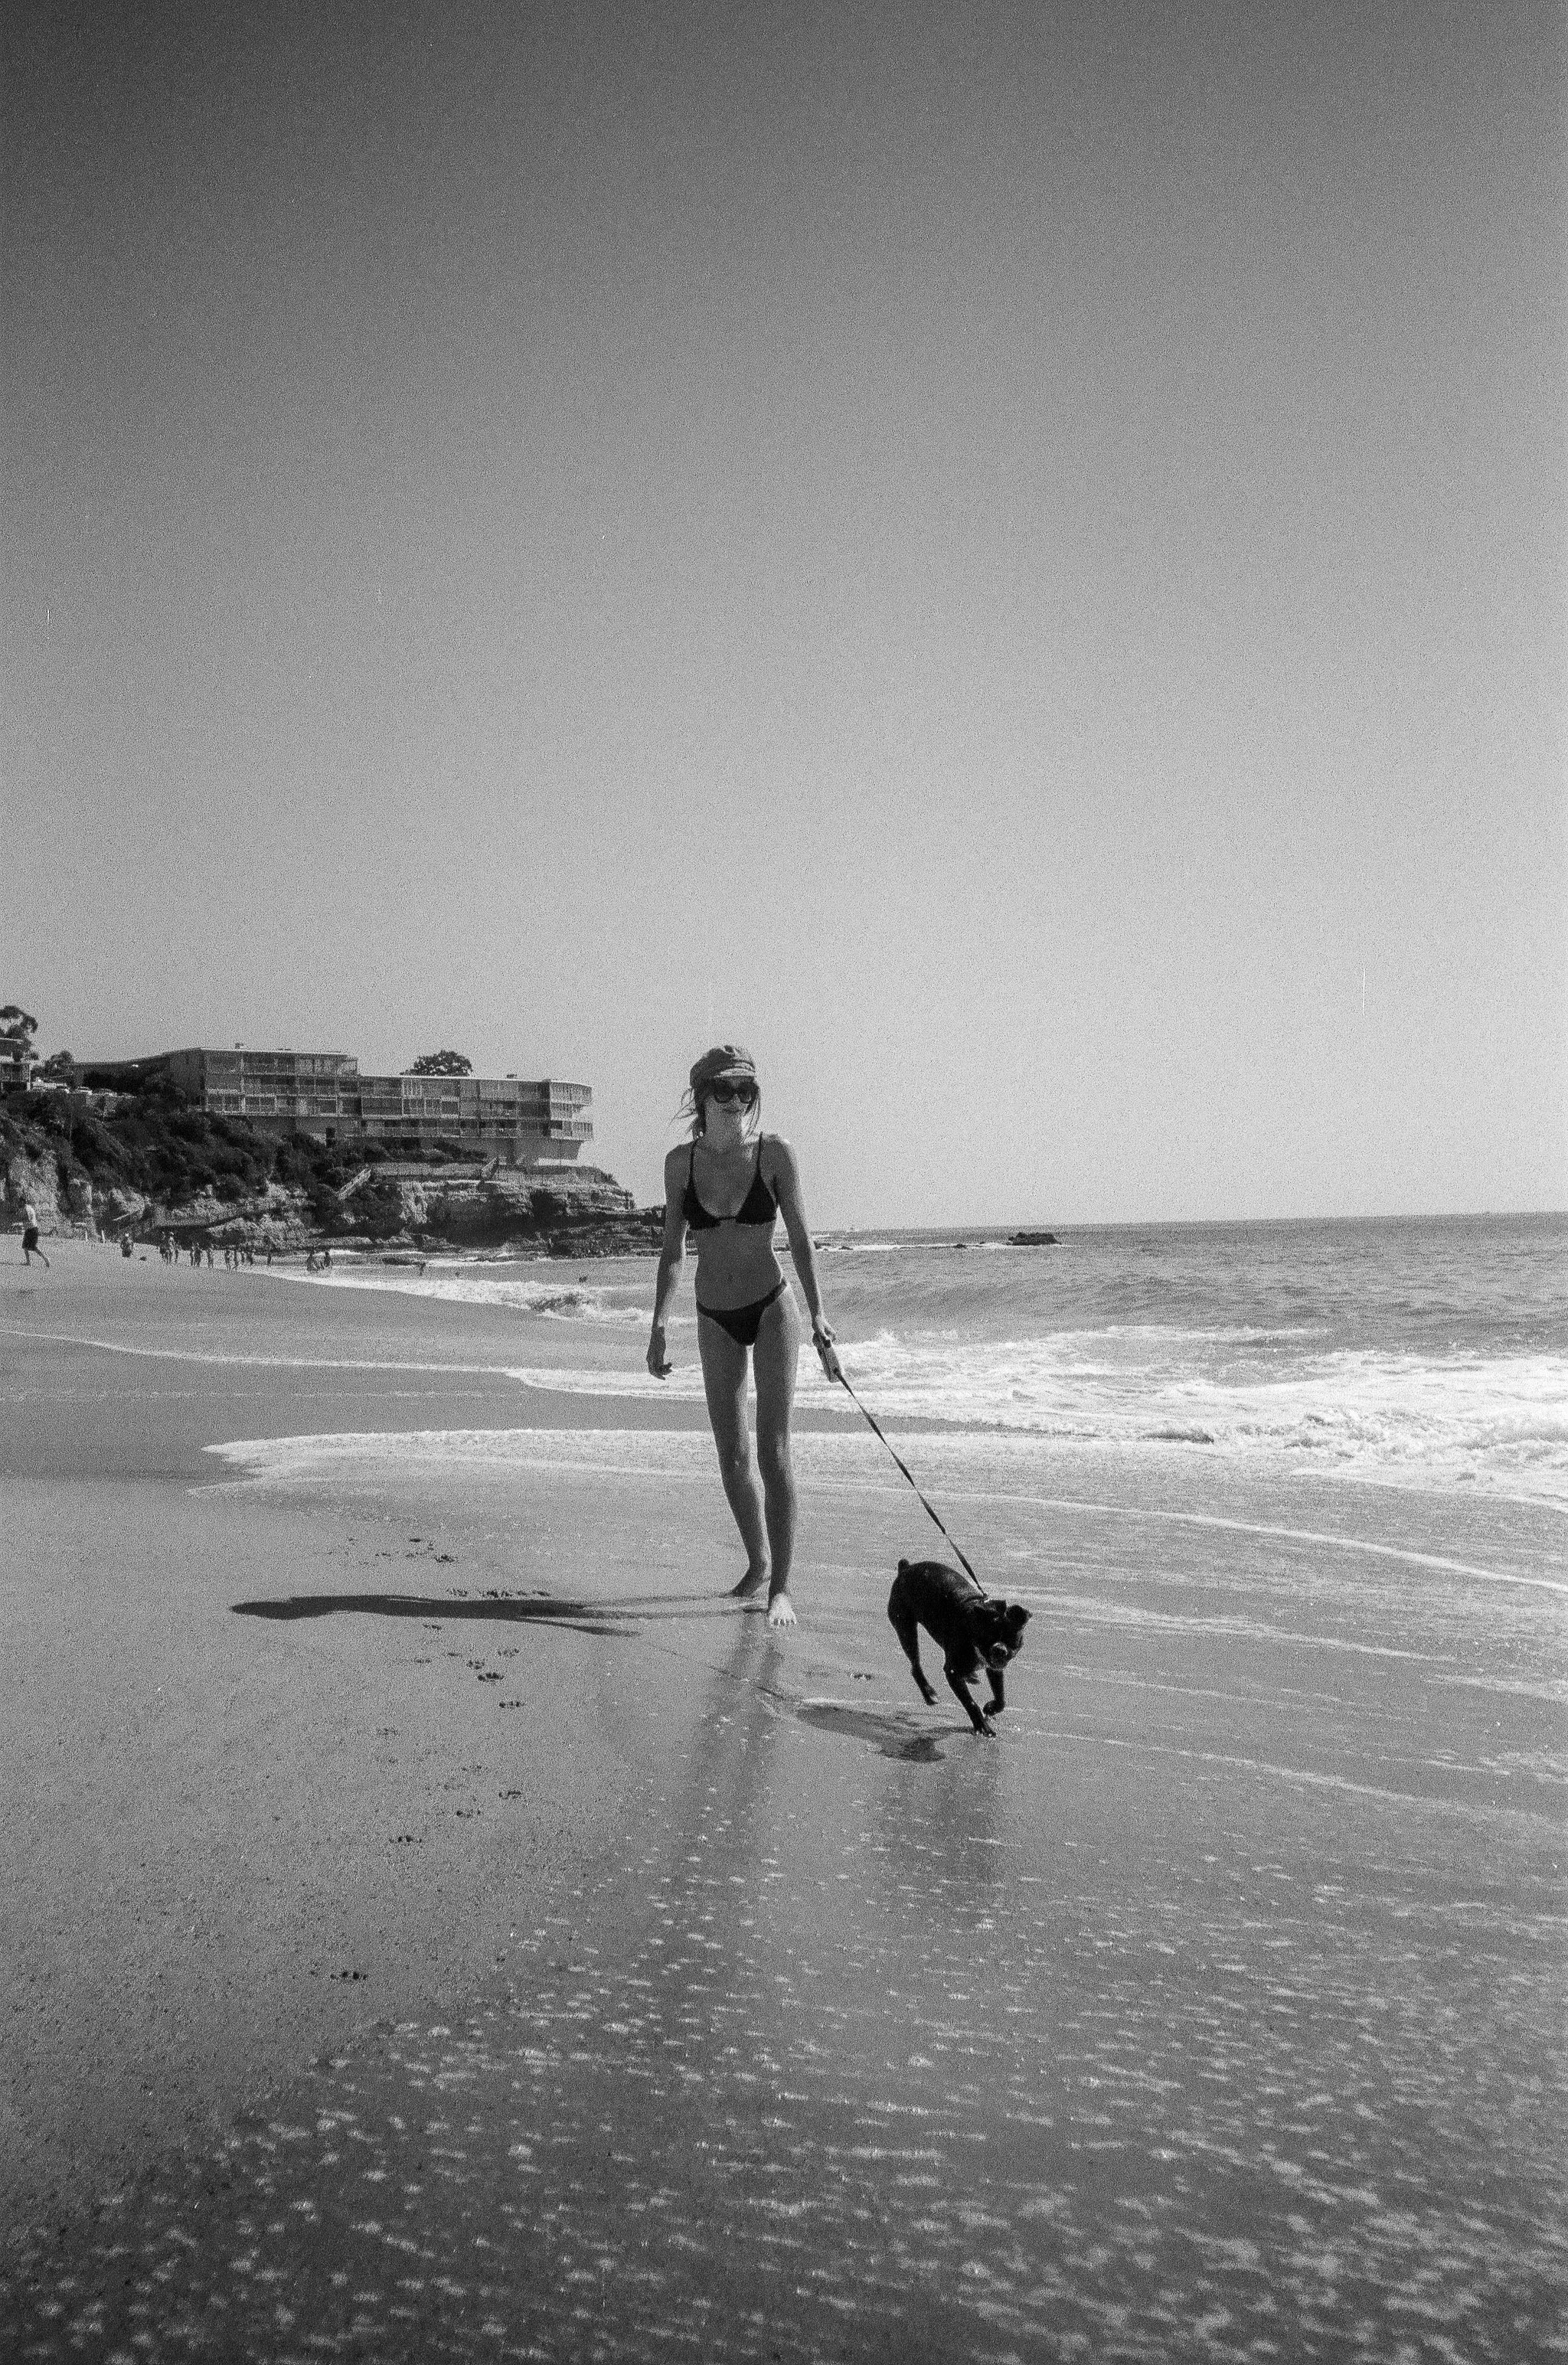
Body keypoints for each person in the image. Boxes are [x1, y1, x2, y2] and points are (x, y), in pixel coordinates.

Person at [647, 1046, 841, 1627]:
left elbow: (803, 1240)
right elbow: (673, 1250)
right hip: (713, 1315)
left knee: (773, 1450)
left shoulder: (775, 1153)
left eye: (746, 1091)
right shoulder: (679, 1164)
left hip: (771, 1307)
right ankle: (757, 1562)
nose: (738, 1101)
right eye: (726, 1090)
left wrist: (821, 1315)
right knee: (732, 1456)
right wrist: (659, 1322)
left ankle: (781, 1587)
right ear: (702, 1095)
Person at [20, 1200, 50, 1269]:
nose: (18, 1203)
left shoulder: (26, 1208)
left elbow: (28, 1218)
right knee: (25, 1246)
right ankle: (28, 1262)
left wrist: (23, 1221)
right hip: (32, 1229)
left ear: (22, 1202)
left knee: (33, 1247)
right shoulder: (30, 1207)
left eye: (19, 1202)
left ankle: (46, 1259)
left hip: (31, 1229)